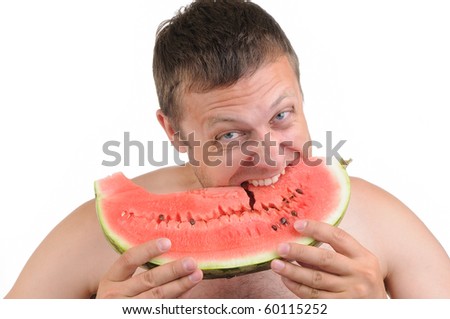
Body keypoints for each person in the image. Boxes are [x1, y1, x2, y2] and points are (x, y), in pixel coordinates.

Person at [5, 0, 450, 299]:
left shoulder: (383, 225)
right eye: (230, 136)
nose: (271, 155)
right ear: (175, 133)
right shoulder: (91, 239)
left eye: (282, 116)